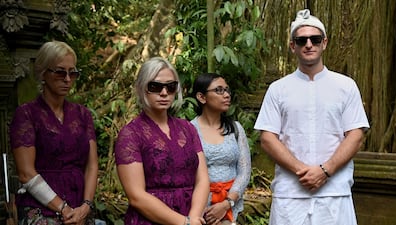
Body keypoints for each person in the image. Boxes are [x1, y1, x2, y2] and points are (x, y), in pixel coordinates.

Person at [254, 9, 370, 225]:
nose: (309, 44)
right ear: (293, 46)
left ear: (324, 43)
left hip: (334, 193)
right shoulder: (278, 89)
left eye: (315, 39)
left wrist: (325, 171)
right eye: (301, 40)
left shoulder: (346, 86)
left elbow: (355, 135)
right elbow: (267, 138)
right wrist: (303, 171)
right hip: (290, 194)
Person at [9, 40, 98, 225]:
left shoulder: (83, 114)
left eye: (72, 73)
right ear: (43, 73)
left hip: (80, 204)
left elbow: (91, 165)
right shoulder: (27, 114)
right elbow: (26, 173)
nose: (67, 79)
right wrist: (63, 208)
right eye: (60, 72)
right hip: (41, 205)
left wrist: (86, 206)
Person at [114, 57, 210, 225]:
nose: (164, 93)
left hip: (191, 216)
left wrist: (193, 218)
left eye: (171, 87)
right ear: (142, 88)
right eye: (155, 87)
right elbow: (136, 196)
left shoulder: (188, 128)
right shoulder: (131, 134)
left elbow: (202, 179)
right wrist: (183, 222)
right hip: (150, 220)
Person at [191, 73, 251, 225]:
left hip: (231, 205)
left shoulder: (236, 129)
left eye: (227, 90)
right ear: (201, 97)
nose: (226, 95)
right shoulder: (189, 130)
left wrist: (227, 203)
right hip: (199, 208)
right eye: (218, 90)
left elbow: (244, 171)